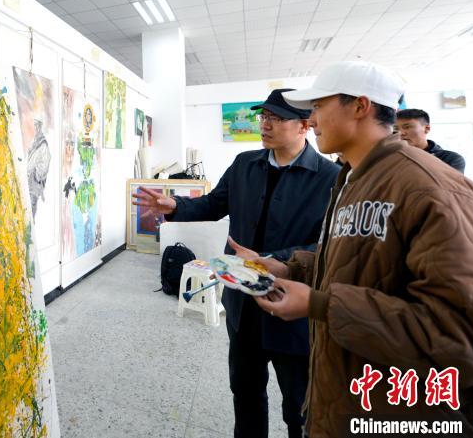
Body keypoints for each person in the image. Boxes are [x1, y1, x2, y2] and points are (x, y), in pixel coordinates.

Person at [242, 62, 473, 437]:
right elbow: (363, 262)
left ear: (359, 106)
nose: (311, 120)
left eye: (318, 107)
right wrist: (291, 268)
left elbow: (458, 334)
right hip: (348, 394)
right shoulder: (353, 177)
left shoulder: (429, 187)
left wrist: (321, 305)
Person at [133, 89, 340, 438]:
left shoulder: (330, 177)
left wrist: (274, 260)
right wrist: (177, 206)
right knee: (245, 393)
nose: (265, 125)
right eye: (263, 117)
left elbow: (330, 246)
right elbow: (215, 203)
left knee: (300, 407)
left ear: (304, 125)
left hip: (293, 308)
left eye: (276, 118)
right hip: (243, 305)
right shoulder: (245, 164)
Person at [396, 108, 466, 173]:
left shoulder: (450, 159)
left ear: (427, 128)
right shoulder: (393, 157)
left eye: (407, 127)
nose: (400, 133)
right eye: (396, 128)